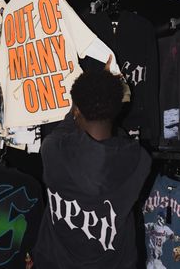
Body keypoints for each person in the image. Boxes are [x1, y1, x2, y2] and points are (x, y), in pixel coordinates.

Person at [33, 56, 152, 269]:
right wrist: (109, 92)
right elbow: (121, 144)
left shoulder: (52, 150)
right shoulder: (140, 161)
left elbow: (66, 127)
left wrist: (90, 96)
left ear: (76, 109)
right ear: (117, 110)